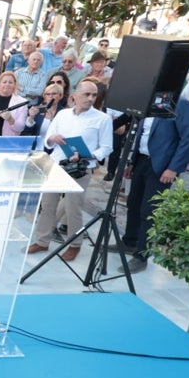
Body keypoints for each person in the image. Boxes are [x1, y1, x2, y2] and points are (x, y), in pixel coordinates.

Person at [28, 79, 113, 262]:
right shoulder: (63, 114)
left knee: (72, 207)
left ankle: (74, 244)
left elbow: (106, 148)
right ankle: (42, 240)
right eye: (86, 94)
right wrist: (53, 138)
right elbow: (47, 139)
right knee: (48, 205)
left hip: (80, 168)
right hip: (57, 163)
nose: (90, 98)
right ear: (75, 96)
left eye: (93, 95)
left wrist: (86, 155)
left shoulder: (102, 119)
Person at [118, 98, 189, 274]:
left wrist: (173, 168)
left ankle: (141, 256)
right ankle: (129, 242)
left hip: (162, 165)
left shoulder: (181, 104)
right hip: (141, 160)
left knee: (150, 210)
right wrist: (132, 162)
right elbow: (142, 133)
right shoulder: (149, 101)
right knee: (133, 203)